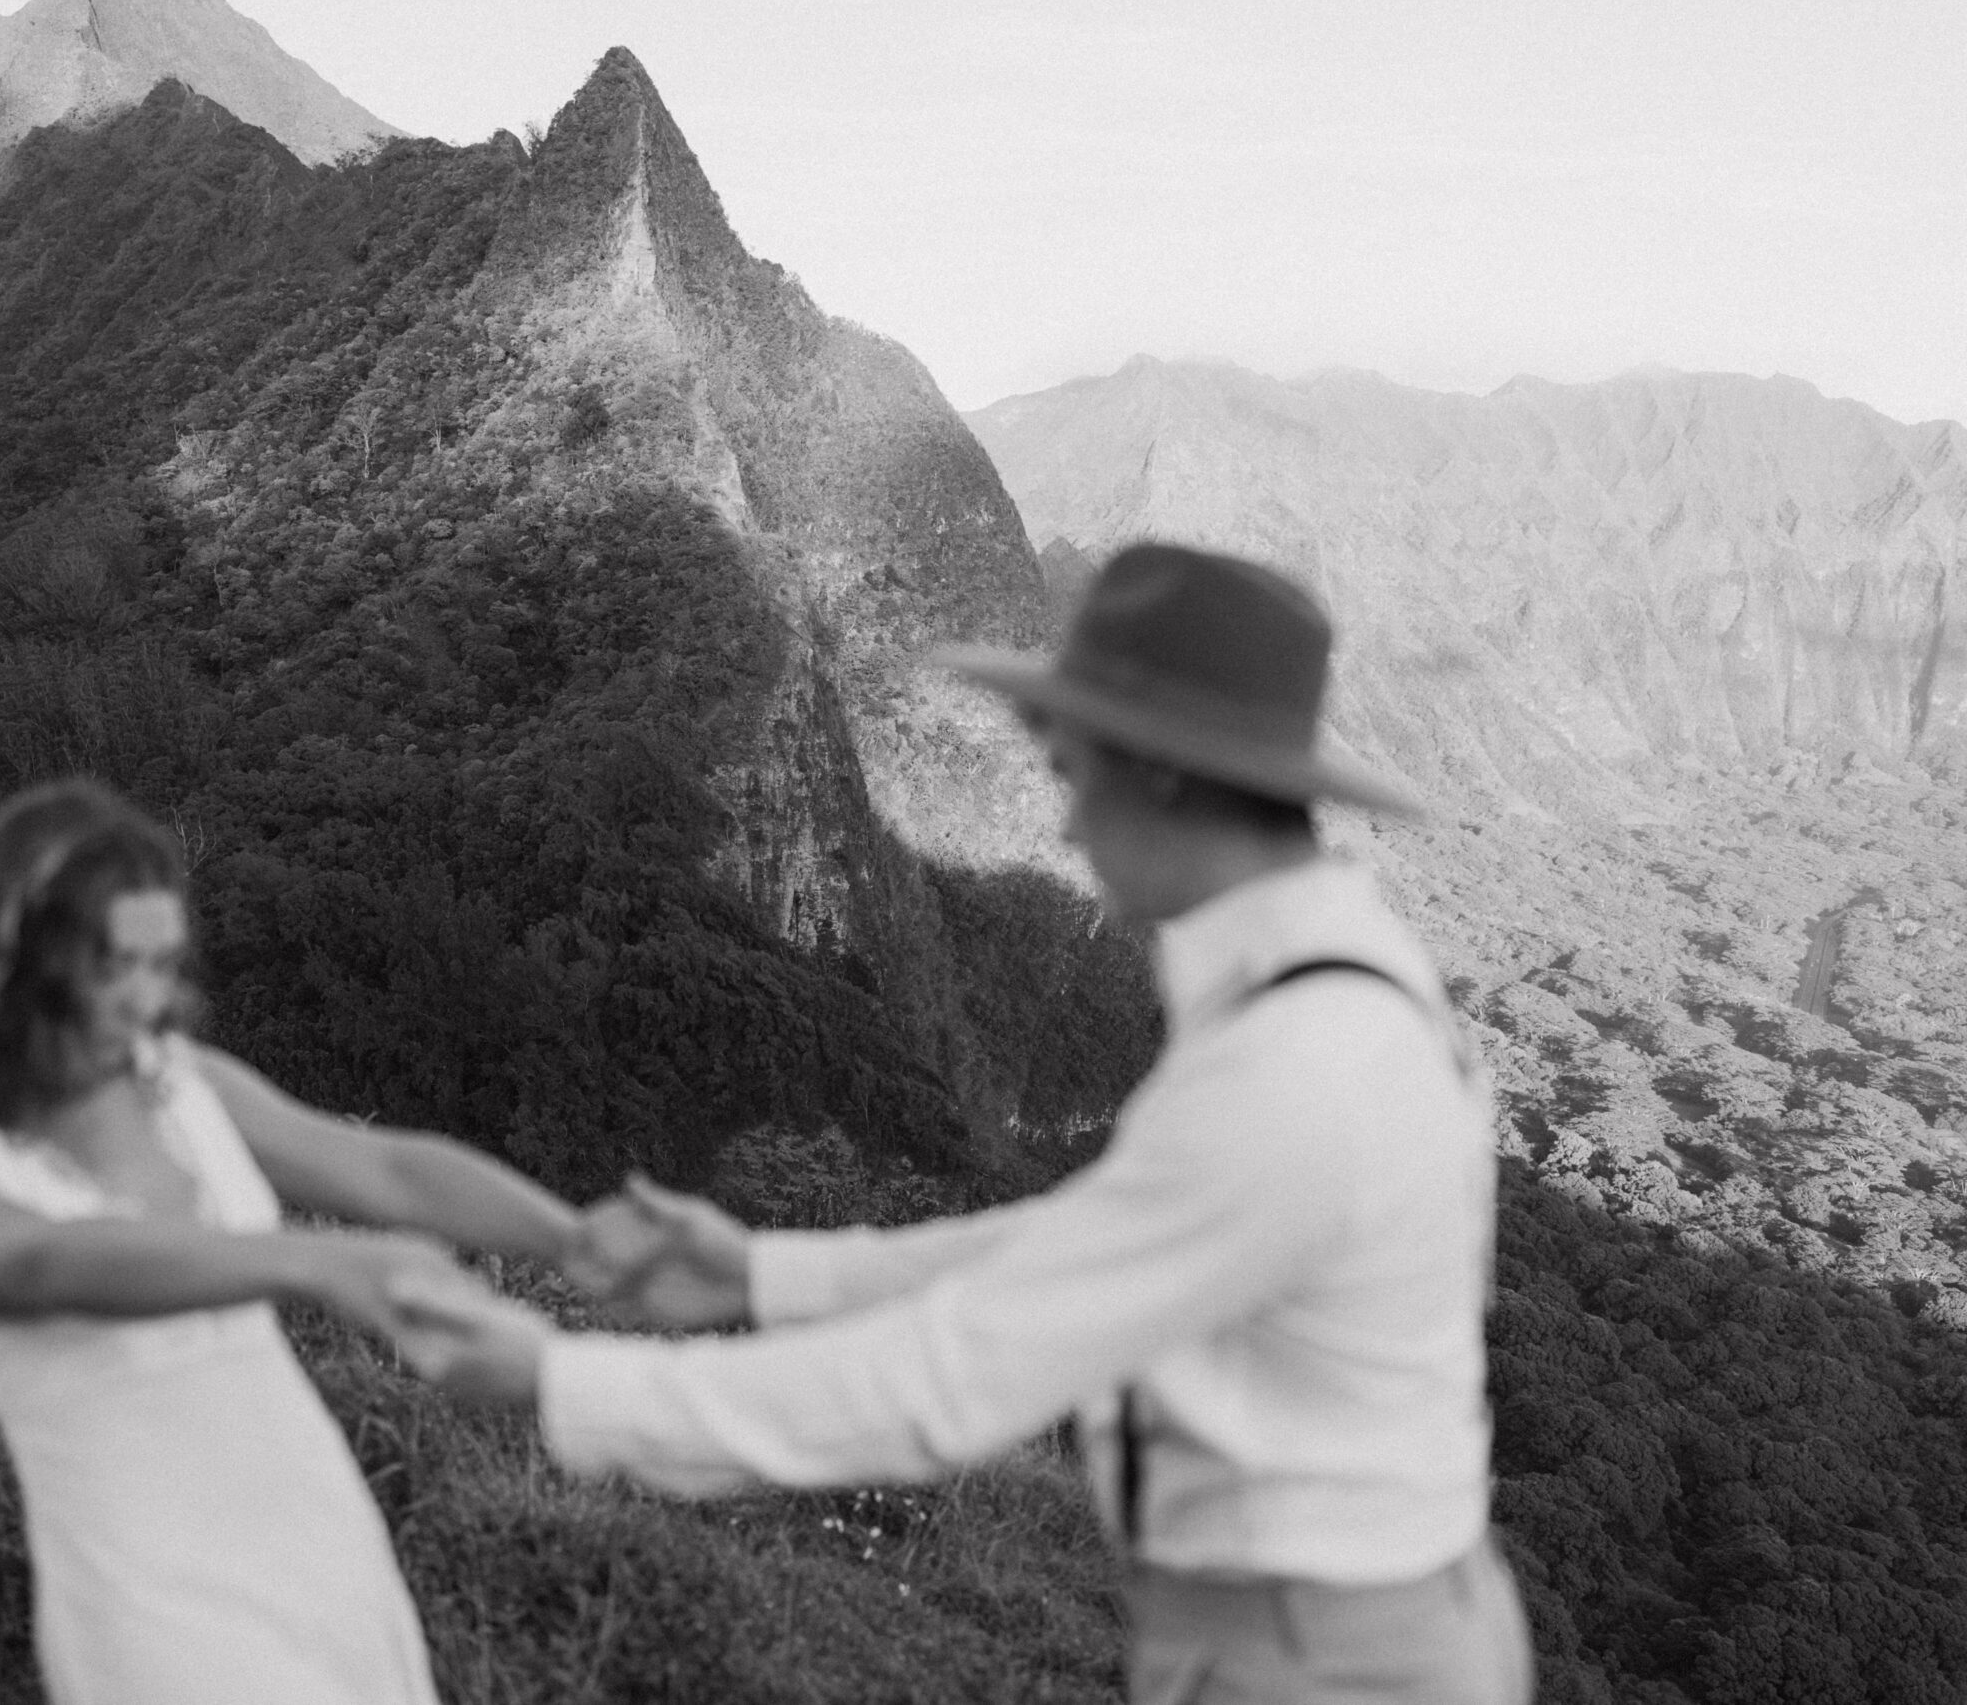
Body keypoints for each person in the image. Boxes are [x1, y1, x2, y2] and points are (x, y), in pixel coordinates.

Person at [397, 543, 1536, 1705]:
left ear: (1165, 777)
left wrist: (560, 1384)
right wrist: (757, 1274)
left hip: (1314, 1657)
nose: (1065, 832)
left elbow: (952, 1384)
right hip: (1363, 1619)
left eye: (1070, 774)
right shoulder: (1343, 981)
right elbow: (1095, 1244)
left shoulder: (1294, 1070)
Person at [0, 778, 579, 1705]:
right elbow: (47, 1261)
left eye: (163, 965)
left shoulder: (185, 1086)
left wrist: (579, 1237)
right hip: (152, 1607)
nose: (145, 1001)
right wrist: (310, 1260)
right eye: (116, 966)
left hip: (324, 1549)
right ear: (17, 961)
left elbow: (383, 1168)